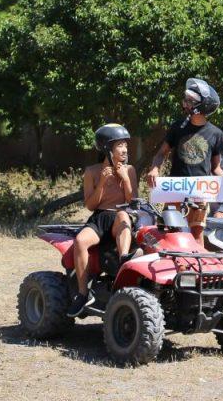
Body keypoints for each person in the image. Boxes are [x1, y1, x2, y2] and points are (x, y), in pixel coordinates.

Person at [67, 124, 138, 317]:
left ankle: (123, 259)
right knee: (80, 241)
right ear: (107, 148)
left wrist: (125, 179)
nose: (124, 150)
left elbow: (133, 202)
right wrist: (102, 185)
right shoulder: (91, 171)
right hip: (100, 216)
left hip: (120, 216)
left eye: (125, 145)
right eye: (120, 146)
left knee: (123, 215)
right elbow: (90, 205)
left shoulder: (129, 170)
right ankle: (83, 294)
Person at [146, 78, 223, 245]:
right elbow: (161, 153)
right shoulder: (177, 127)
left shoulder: (216, 134)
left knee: (197, 233)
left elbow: (216, 167)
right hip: (176, 189)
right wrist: (154, 168)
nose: (185, 103)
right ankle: (173, 268)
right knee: (171, 231)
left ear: (201, 106)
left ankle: (197, 270)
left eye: (190, 101)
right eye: (186, 99)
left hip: (200, 191)